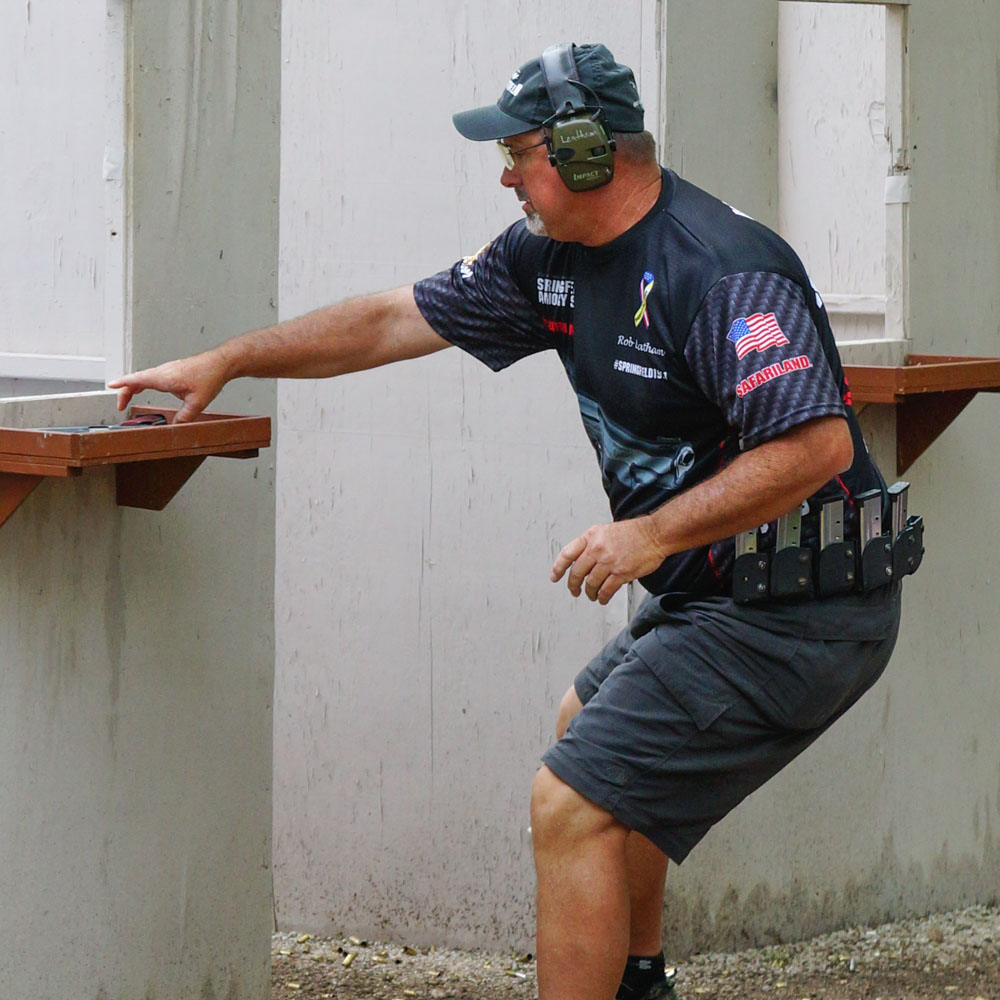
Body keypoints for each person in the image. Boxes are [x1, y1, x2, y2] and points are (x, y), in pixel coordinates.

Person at [110, 43, 904, 1000]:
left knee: (570, 801)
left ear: (584, 154)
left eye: (519, 152)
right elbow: (390, 321)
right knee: (589, 726)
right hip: (724, 594)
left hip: (808, 609)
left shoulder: (720, 269)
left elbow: (814, 446)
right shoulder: (549, 258)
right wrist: (232, 358)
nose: (504, 174)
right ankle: (637, 977)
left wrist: (649, 535)